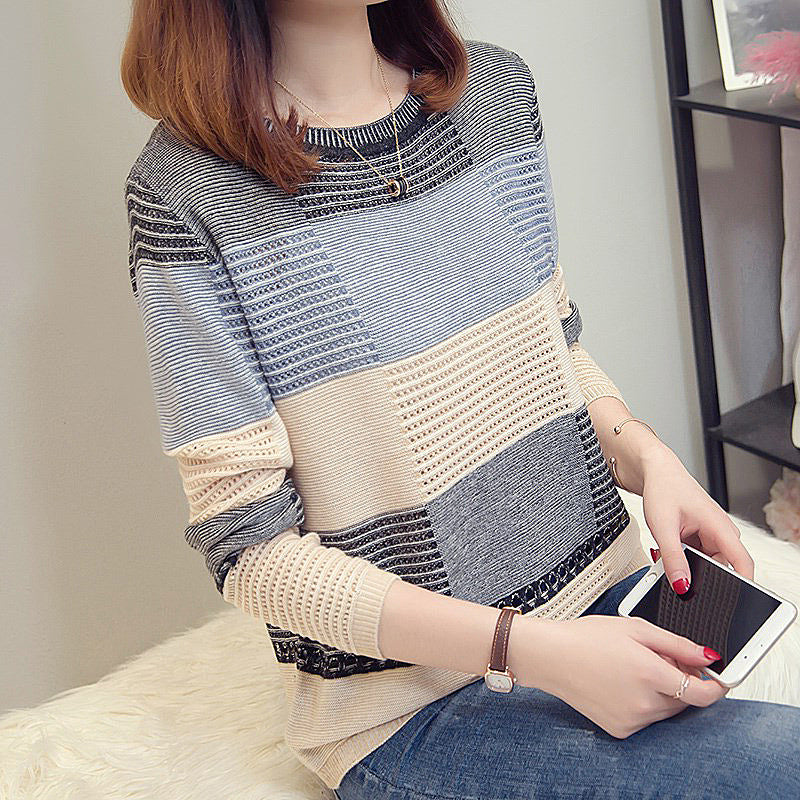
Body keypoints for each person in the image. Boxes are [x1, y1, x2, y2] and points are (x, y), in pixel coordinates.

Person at [120, 1, 800, 797]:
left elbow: (552, 346)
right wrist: (531, 650)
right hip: (417, 710)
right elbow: (251, 552)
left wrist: (649, 458)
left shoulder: (496, 94)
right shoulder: (184, 194)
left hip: (610, 602)